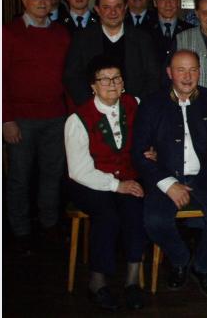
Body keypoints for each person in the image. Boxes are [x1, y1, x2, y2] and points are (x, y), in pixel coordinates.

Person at [132, 49, 207, 298]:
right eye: (181, 70)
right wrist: (168, 183)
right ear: (169, 73)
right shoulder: (151, 104)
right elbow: (138, 153)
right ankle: (180, 260)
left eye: (193, 70)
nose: (187, 77)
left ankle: (202, 266)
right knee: (155, 221)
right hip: (166, 174)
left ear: (200, 72)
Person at [64, 55, 148, 310]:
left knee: (135, 208)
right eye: (104, 79)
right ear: (93, 85)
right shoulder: (78, 119)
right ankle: (97, 282)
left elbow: (149, 136)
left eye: (117, 78)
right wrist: (115, 185)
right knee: (107, 215)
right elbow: (79, 170)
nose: (112, 84)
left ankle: (132, 281)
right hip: (89, 181)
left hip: (128, 176)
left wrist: (150, 150)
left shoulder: (135, 104)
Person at [3, 0, 71, 254]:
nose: (43, 1)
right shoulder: (8, 33)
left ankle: (49, 225)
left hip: (56, 117)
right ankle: (20, 231)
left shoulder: (61, 34)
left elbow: (67, 77)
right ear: (24, 0)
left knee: (52, 175)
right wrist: (6, 119)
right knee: (20, 177)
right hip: (21, 119)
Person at [63, 0, 161, 107]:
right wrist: (92, 104)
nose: (113, 12)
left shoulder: (142, 39)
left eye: (118, 6)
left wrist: (136, 102)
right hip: (94, 108)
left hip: (135, 108)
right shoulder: (82, 38)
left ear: (125, 8)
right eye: (106, 7)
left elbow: (153, 77)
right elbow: (72, 76)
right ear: (97, 10)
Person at [144, 0, 193, 67]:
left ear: (178, 2)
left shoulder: (191, 31)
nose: (168, 4)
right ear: (155, 2)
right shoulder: (142, 31)